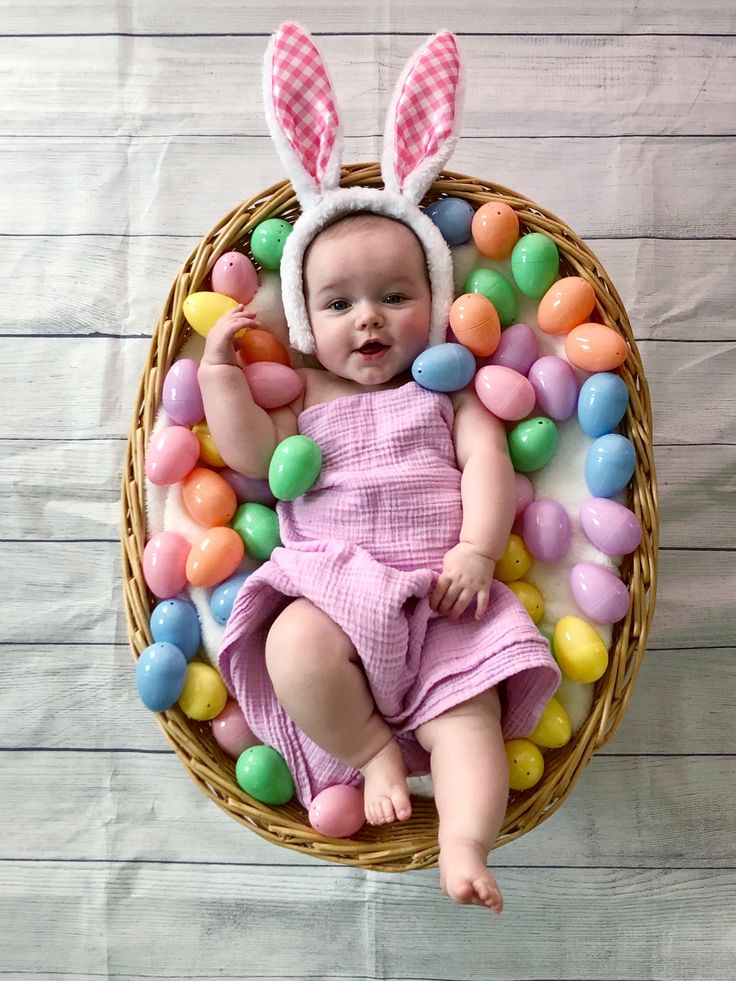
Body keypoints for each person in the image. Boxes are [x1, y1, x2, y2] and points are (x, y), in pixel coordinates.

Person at [198, 210, 560, 912]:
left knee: (469, 719)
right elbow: (250, 457)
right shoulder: (303, 395)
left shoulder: (449, 392)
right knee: (292, 646)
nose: (369, 319)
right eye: (339, 304)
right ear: (304, 324)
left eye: (395, 297)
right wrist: (220, 371)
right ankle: (369, 750)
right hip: (335, 591)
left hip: (440, 596)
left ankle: (463, 842)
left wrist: (477, 548)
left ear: (436, 301)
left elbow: (486, 463)